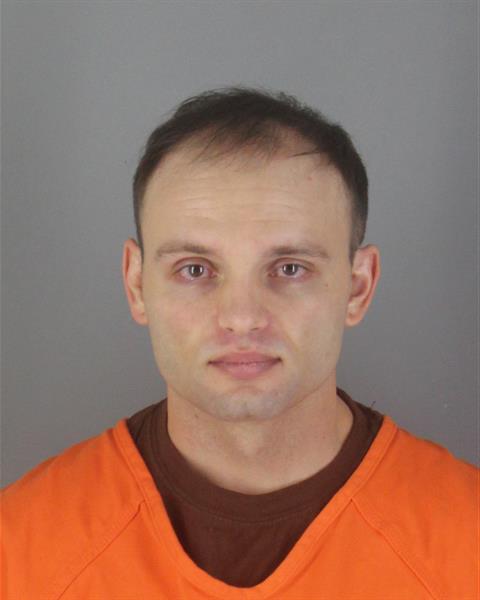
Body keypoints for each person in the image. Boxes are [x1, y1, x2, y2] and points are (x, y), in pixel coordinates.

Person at [2, 87, 477, 599]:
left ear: (358, 288)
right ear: (136, 285)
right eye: (195, 269)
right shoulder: (20, 548)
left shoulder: (466, 543)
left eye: (290, 268)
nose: (242, 318)